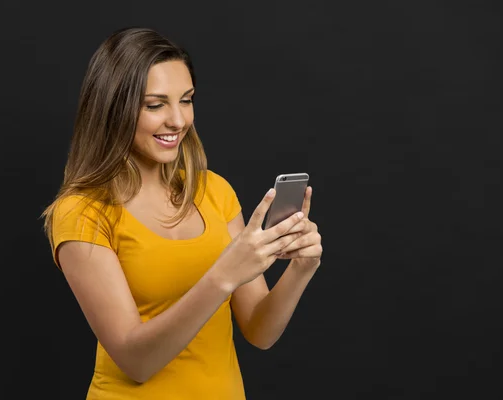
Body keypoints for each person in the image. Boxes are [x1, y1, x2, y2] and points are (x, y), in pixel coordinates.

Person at [41, 27, 323, 400]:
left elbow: (259, 330)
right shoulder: (81, 212)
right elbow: (135, 360)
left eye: (186, 100)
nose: (177, 120)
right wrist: (222, 275)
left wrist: (301, 269)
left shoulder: (213, 191)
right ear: (113, 109)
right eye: (155, 105)